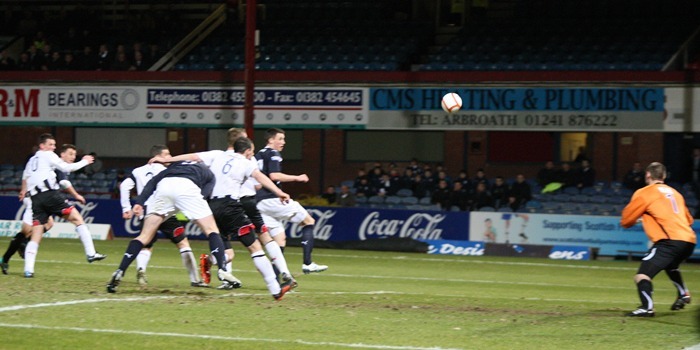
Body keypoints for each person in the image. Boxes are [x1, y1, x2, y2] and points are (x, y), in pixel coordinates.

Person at [154, 137, 295, 298]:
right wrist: (279, 192)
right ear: (247, 151)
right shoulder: (247, 162)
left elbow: (192, 156)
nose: (252, 155)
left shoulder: (217, 155)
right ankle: (275, 289)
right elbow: (260, 177)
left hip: (211, 206)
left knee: (226, 247)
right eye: (252, 151)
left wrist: (166, 160)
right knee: (255, 247)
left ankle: (215, 264)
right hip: (230, 207)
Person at [107, 160, 242, 294]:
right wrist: (193, 209)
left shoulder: (172, 167)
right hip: (187, 188)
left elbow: (152, 183)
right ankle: (222, 269)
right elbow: (204, 193)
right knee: (211, 230)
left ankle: (120, 270)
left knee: (144, 236)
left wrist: (139, 202)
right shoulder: (207, 171)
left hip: (164, 188)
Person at [119, 145, 207, 288]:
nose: (169, 157)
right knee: (183, 243)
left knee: (145, 244)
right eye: (167, 154)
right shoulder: (169, 170)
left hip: (147, 212)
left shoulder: (138, 171)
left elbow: (124, 186)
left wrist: (126, 208)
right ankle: (195, 279)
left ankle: (141, 269)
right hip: (164, 209)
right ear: (158, 156)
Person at [22, 135, 106, 278]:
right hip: (50, 195)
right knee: (77, 219)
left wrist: (24, 191)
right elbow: (67, 167)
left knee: (36, 234)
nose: (53, 147)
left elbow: (26, 177)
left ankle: (28, 270)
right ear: (42, 146)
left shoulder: (31, 160)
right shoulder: (47, 155)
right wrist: (84, 161)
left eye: (54, 145)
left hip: (35, 198)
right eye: (51, 144)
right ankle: (91, 253)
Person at [620, 162, 697, 317]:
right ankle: (683, 293)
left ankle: (646, 307)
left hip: (669, 241)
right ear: (664, 176)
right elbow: (689, 220)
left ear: (648, 175)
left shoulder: (645, 192)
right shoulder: (676, 193)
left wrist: (636, 220)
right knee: (670, 265)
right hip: (689, 240)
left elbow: (626, 220)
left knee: (642, 275)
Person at [1, 144, 85, 274]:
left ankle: (22, 246)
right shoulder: (51, 161)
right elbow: (62, 182)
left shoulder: (44, 161)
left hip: (41, 197)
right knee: (26, 230)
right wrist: (75, 195)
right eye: (70, 154)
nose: (72, 157)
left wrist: (23, 189)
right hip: (36, 198)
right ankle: (8, 256)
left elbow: (26, 175)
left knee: (48, 224)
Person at [256, 128, 328, 274]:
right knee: (309, 221)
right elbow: (274, 175)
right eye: (280, 139)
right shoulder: (273, 153)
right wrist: (297, 177)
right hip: (272, 199)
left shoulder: (258, 154)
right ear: (271, 140)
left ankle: (276, 281)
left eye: (284, 139)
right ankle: (308, 263)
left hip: (259, 202)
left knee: (279, 239)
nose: (283, 142)